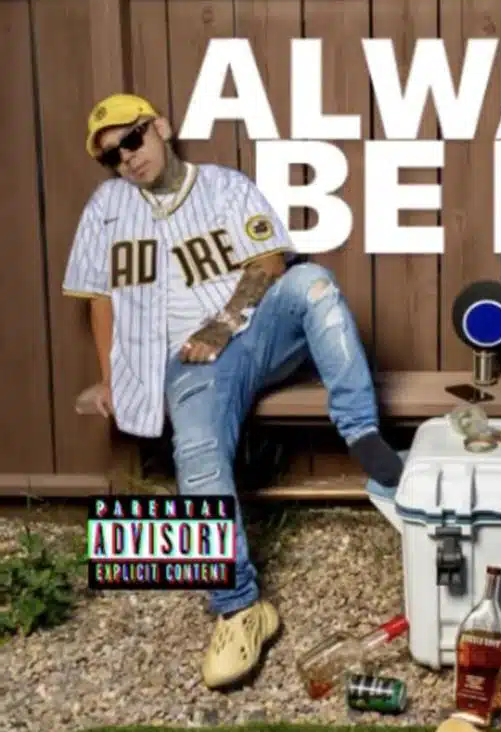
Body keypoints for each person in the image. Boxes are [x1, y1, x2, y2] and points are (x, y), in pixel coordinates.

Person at [62, 94, 404, 690]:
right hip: (191, 364)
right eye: (112, 155)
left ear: (160, 127)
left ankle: (362, 435)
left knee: (313, 281)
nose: (127, 158)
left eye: (133, 139)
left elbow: (271, 263)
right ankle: (239, 609)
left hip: (255, 331)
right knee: (196, 457)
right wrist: (115, 377)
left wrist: (222, 324)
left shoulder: (224, 186)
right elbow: (100, 299)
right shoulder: (106, 210)